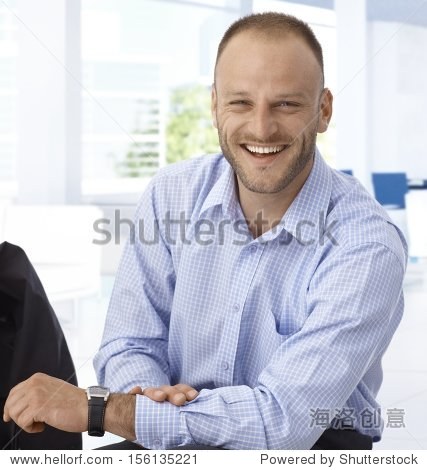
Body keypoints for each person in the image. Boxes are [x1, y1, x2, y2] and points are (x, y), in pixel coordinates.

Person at [3, 12, 407, 450]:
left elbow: (283, 422)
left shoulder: (366, 243)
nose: (261, 127)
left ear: (323, 110)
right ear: (214, 105)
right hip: (174, 435)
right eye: (240, 103)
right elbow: (128, 343)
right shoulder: (170, 194)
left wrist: (103, 409)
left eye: (287, 104)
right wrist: (148, 399)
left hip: (313, 447)